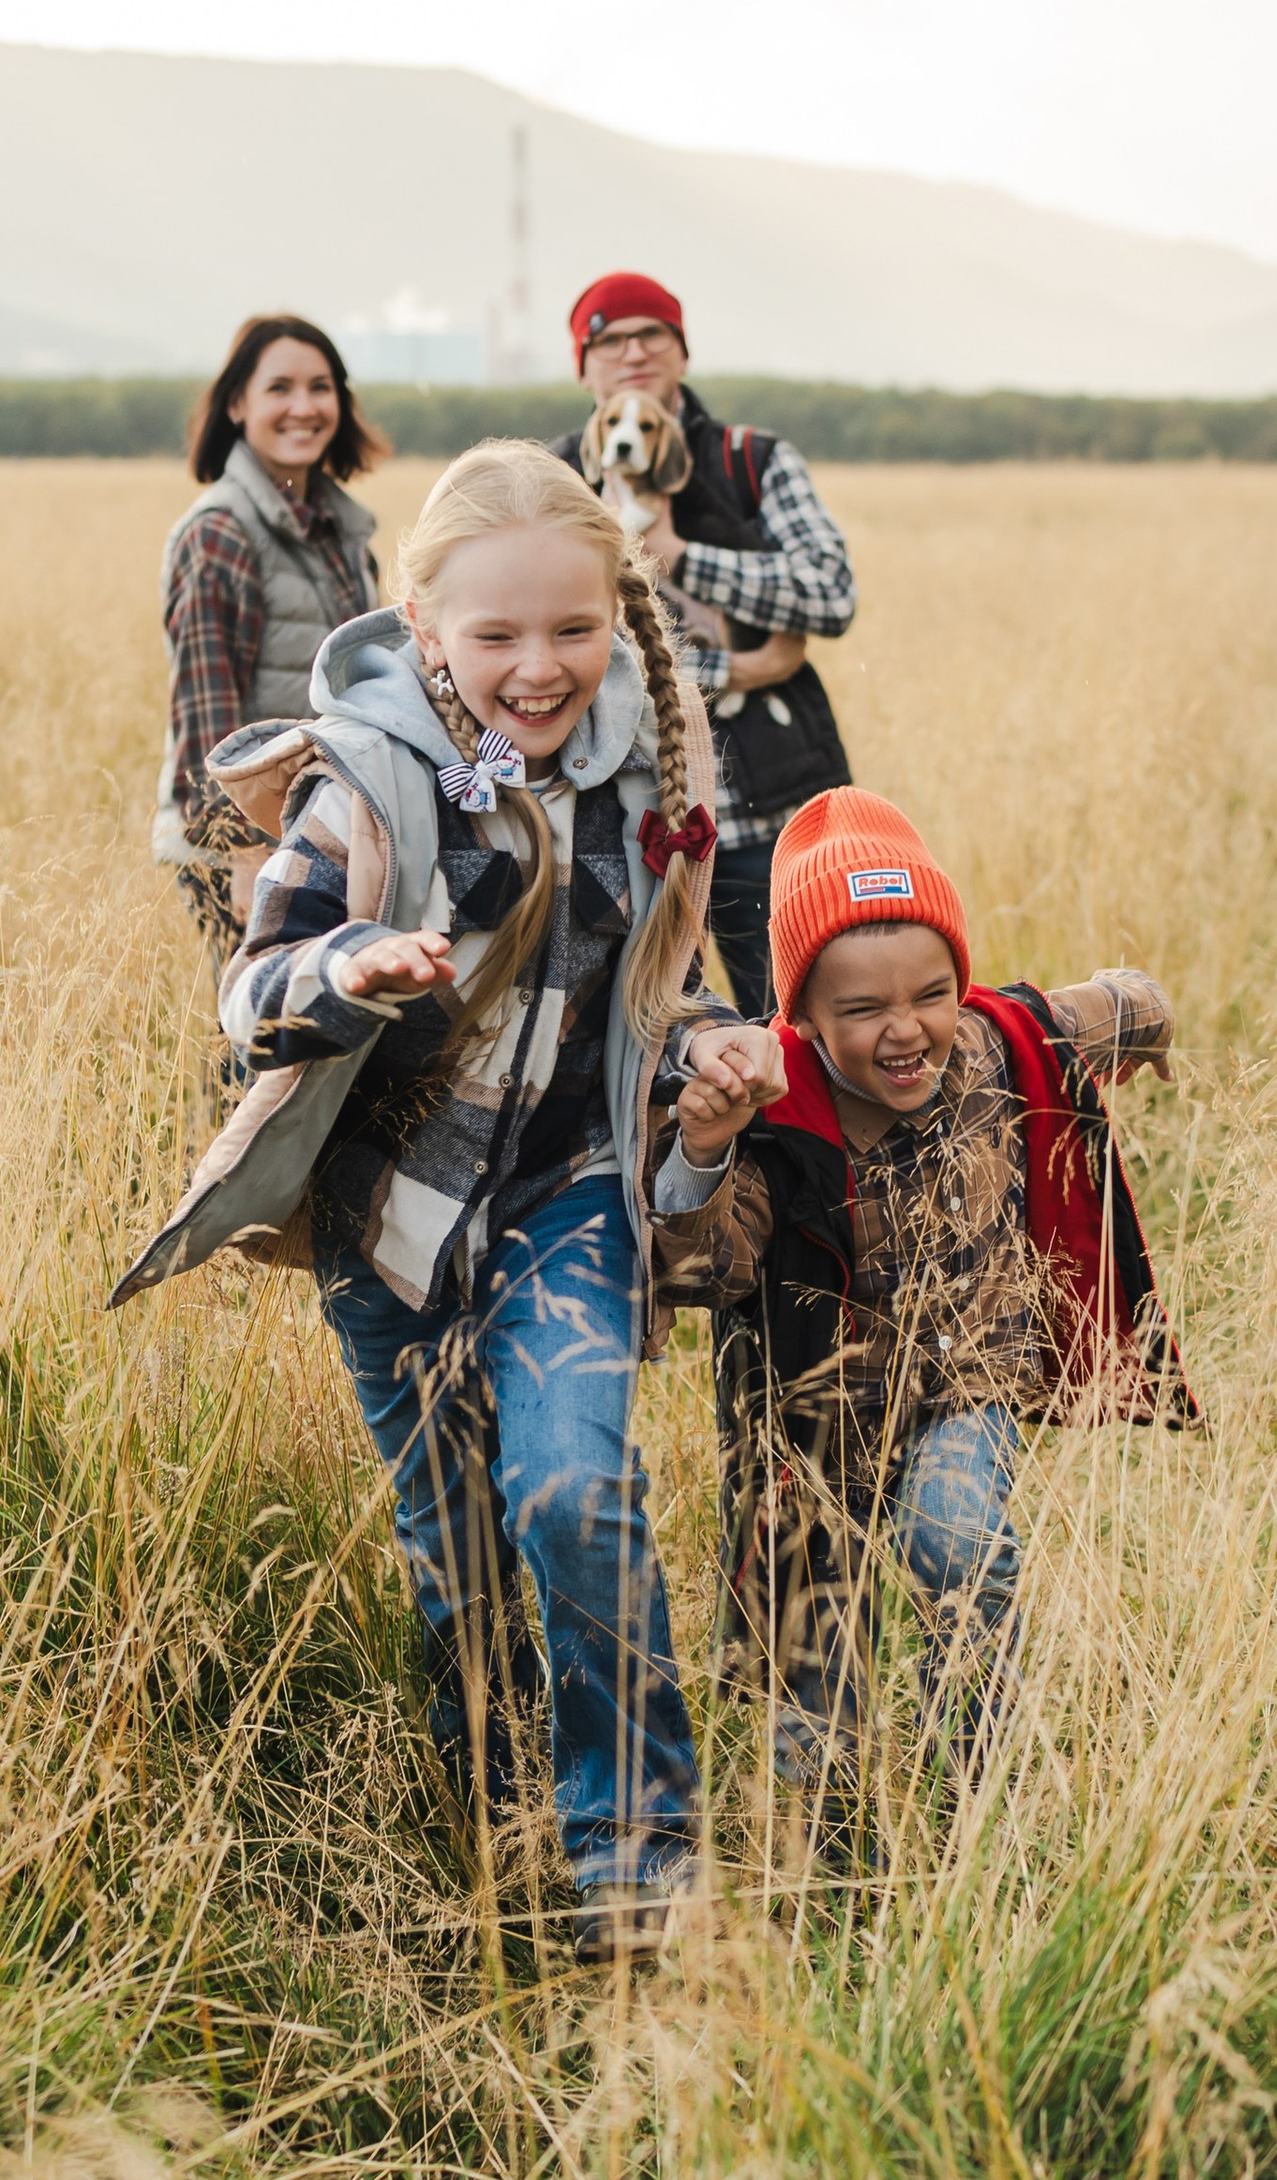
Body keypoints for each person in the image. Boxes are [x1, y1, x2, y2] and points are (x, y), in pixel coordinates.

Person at [112, 442, 788, 1960]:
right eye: (497, 635)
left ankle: (635, 1854)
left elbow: (656, 990)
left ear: (615, 618)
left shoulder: (647, 775)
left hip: (571, 1196)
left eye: (574, 629)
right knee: (457, 1546)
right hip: (391, 1219)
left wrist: (707, 1050)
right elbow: (253, 986)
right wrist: (345, 965)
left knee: (572, 1493)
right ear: (424, 625)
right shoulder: (369, 779)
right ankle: (491, 1818)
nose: (539, 668)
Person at [647, 787, 1193, 1848]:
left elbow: (1111, 1005)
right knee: (813, 1671)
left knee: (955, 1536)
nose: (906, 1030)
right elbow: (701, 1273)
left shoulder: (997, 1042)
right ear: (803, 1017)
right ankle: (829, 1852)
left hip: (962, 1385)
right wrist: (703, 1148)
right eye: (862, 1011)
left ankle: (987, 1804)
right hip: (807, 1433)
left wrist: (1148, 1016)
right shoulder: (774, 1124)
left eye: (932, 993)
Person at [550, 271, 858, 1016]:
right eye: (610, 341)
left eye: (652, 334)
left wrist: (678, 553)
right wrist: (734, 668)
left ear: (682, 353)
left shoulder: (751, 459)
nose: (633, 352)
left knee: (791, 1019)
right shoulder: (552, 476)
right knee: (627, 1028)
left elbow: (831, 593)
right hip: (614, 811)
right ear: (584, 368)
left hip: (763, 809)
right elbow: (543, 639)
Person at [154, 313, 386, 1002]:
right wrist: (245, 853)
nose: (303, 407)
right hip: (250, 843)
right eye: (279, 388)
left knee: (321, 1028)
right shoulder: (220, 534)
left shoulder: (341, 531)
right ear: (237, 404)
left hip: (325, 824)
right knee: (254, 1034)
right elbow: (207, 711)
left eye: (320, 387)